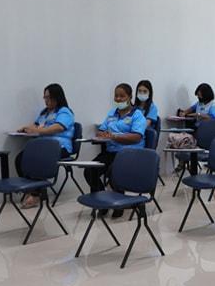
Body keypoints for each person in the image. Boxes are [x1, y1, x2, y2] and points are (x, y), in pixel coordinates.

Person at [86, 84, 147, 215]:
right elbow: (101, 130)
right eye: (116, 96)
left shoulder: (137, 115)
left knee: (113, 171)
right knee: (90, 171)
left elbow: (136, 137)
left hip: (129, 154)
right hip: (111, 152)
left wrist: (114, 136)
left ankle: (119, 205)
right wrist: (102, 134)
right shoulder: (112, 113)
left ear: (130, 97)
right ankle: (102, 201)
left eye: (122, 96)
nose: (118, 99)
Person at [16, 83, 75, 208]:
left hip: (60, 147)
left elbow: (58, 127)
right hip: (43, 147)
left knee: (38, 160)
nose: (46, 100)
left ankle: (36, 194)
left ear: (57, 97)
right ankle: (32, 190)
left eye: (48, 97)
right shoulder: (44, 113)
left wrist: (38, 131)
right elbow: (36, 125)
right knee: (20, 159)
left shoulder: (64, 112)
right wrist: (26, 128)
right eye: (45, 97)